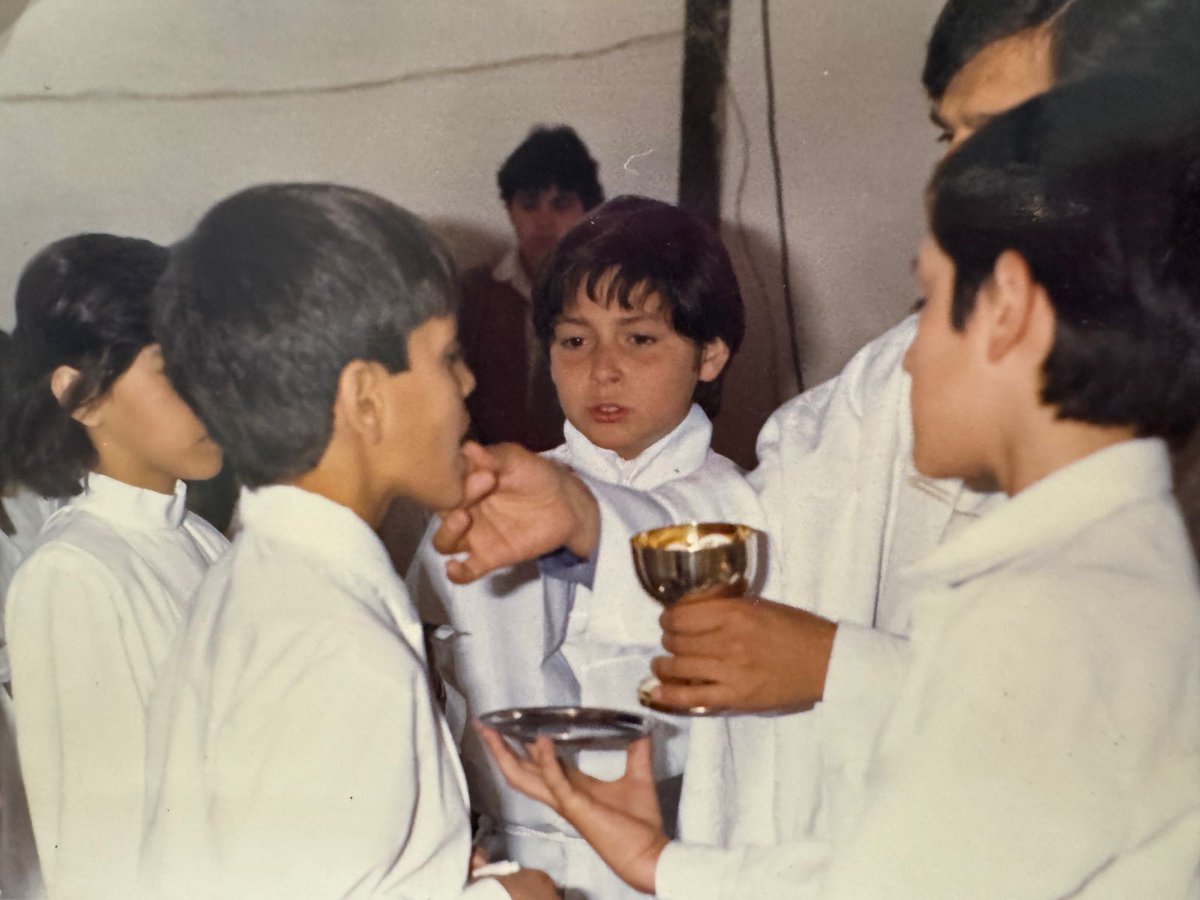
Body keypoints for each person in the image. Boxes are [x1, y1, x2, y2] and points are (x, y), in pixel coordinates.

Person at [430, 0, 1200, 886]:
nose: (952, 184)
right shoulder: (897, 383)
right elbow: (767, 524)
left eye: (996, 140)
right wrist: (591, 515)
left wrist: (840, 666)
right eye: (947, 137)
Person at [139, 183, 556, 900]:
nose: (469, 381)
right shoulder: (339, 643)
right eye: (448, 356)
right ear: (366, 399)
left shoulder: (255, 582)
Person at [409, 195, 762, 898]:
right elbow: (430, 701)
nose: (602, 370)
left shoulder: (752, 510)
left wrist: (586, 523)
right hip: (513, 866)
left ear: (711, 353)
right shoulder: (486, 498)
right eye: (575, 340)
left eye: (639, 339)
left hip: (685, 864)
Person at [0, 235, 227, 898]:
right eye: (174, 372)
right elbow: (99, 856)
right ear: (81, 396)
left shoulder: (204, 539)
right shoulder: (72, 572)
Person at [460, 125, 604, 451]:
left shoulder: (610, 296)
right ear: (510, 210)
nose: (543, 220)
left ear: (589, 211)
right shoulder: (474, 294)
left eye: (561, 204)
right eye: (528, 204)